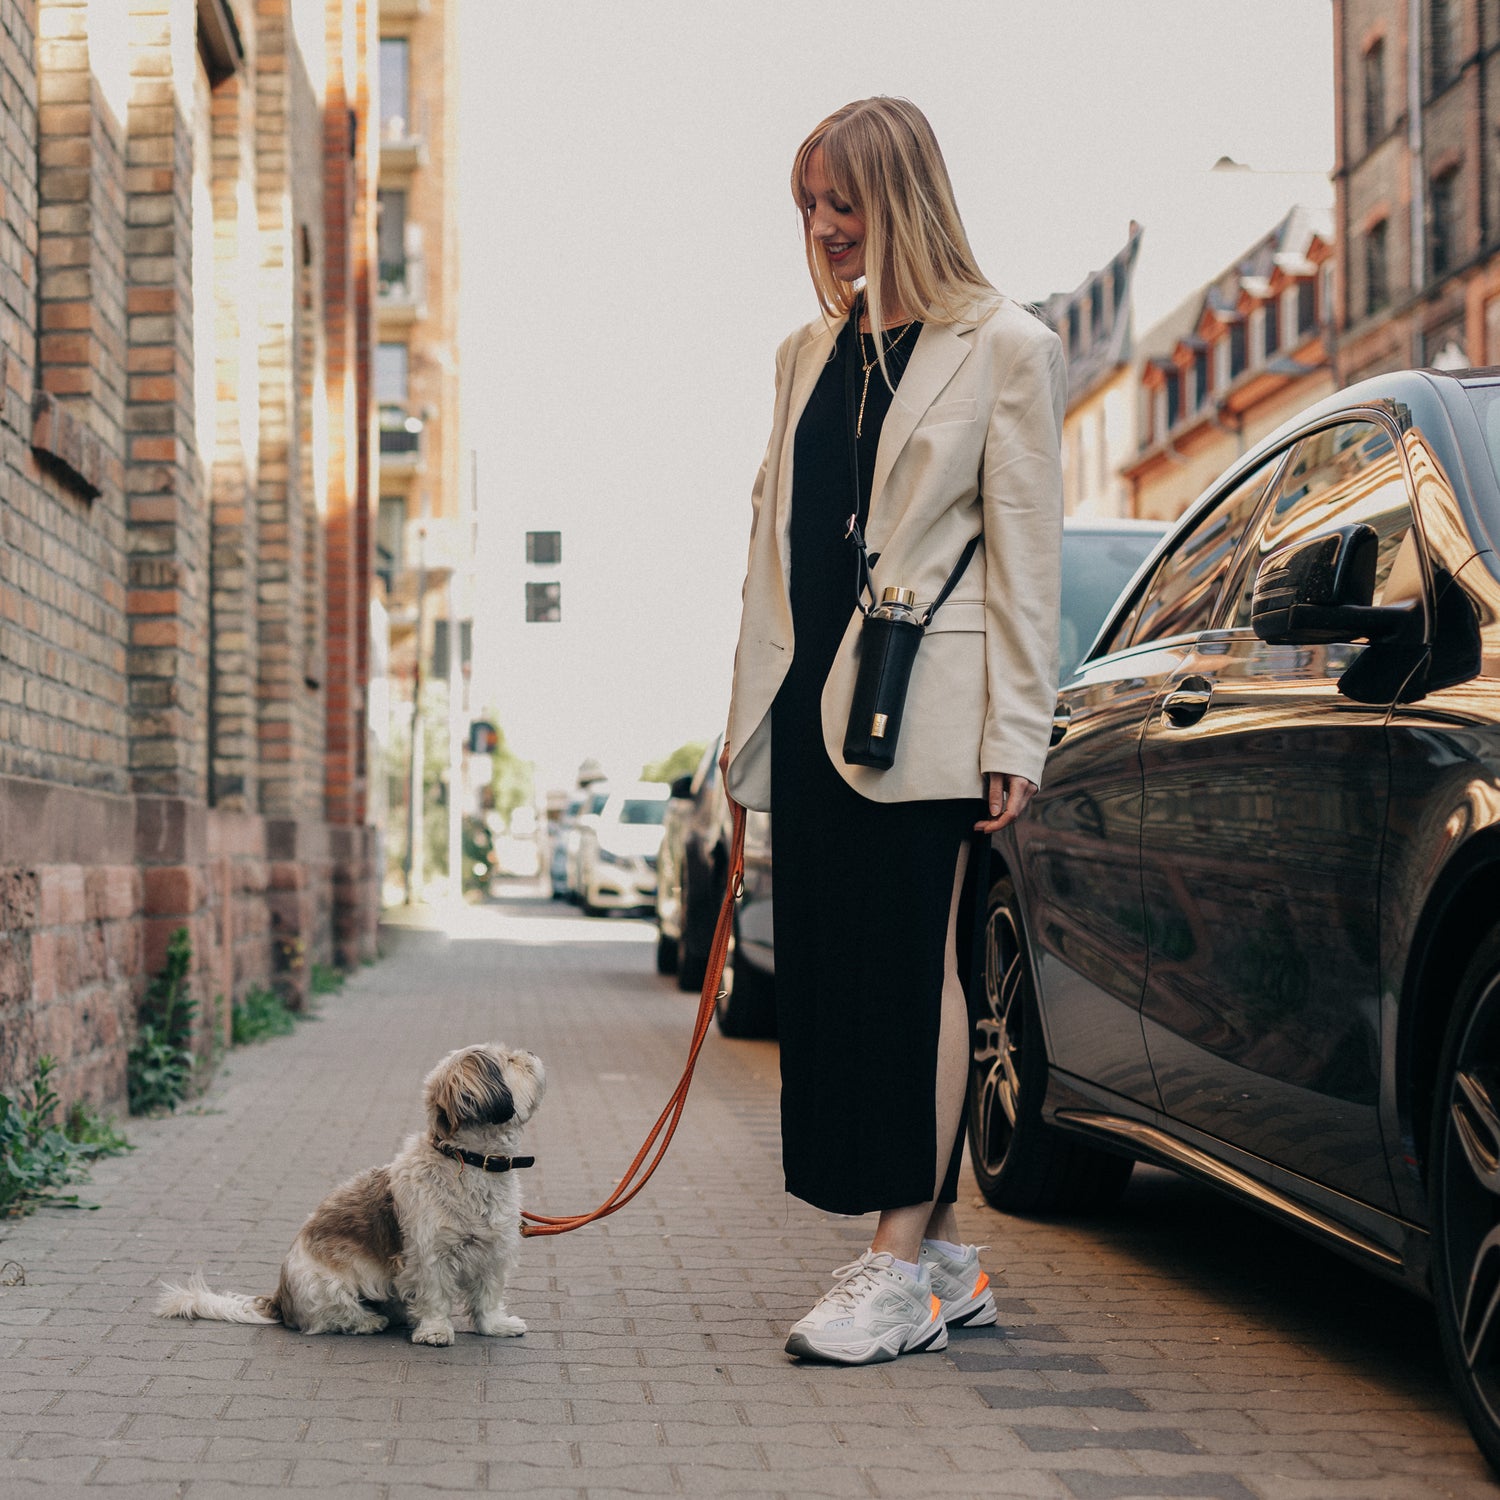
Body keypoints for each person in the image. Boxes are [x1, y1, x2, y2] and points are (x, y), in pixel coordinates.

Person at [721, 96, 1066, 1366]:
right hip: (811, 709)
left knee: (913, 981)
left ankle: (892, 1262)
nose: (823, 228)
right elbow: (772, 555)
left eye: (844, 202)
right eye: (809, 206)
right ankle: (939, 1261)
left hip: (926, 709)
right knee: (838, 983)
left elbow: (1026, 555)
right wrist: (742, 732)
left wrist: (1015, 736)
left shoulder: (1004, 347)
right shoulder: (804, 357)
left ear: (904, 196)